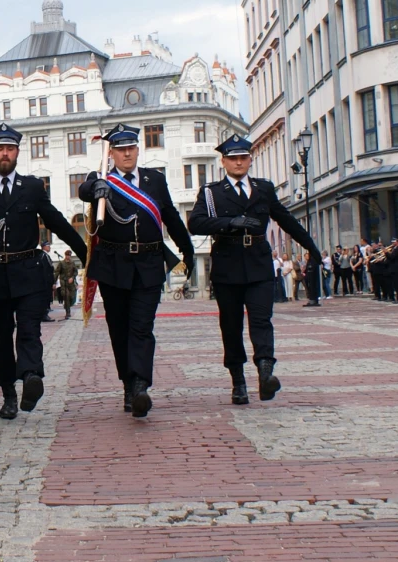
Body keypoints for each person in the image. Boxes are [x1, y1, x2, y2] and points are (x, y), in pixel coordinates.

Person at [0, 124, 89, 420]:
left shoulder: (31, 187)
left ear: (17, 152)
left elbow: (56, 221)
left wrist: (85, 253)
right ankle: (8, 395)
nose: (5, 154)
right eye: (0, 149)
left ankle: (31, 377)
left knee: (30, 330)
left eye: (10, 149)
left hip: (29, 273)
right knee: (1, 337)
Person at [186, 134, 320, 406]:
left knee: (262, 320)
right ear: (223, 161)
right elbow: (196, 223)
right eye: (233, 158)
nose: (238, 162)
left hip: (258, 262)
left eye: (243, 157)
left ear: (250, 159)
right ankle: (238, 381)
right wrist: (230, 222)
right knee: (231, 326)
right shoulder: (211, 192)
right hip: (227, 263)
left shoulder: (264, 188)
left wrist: (311, 247)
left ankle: (265, 371)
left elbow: (286, 220)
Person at [76, 124, 194, 417]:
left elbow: (170, 215)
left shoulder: (154, 179)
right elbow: (83, 190)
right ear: (112, 153)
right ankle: (128, 385)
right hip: (113, 266)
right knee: (120, 329)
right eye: (120, 149)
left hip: (148, 264)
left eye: (131, 148)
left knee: (142, 327)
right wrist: (96, 188)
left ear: (138, 150)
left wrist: (187, 249)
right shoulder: (102, 178)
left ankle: (141, 385)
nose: (127, 153)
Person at [54, 250, 80, 320]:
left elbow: (75, 272)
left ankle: (67, 306)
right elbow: (56, 273)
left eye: (69, 255)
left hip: (71, 283)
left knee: (72, 297)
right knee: (67, 297)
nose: (68, 257)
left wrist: (72, 277)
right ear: (65, 255)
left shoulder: (72, 263)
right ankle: (68, 313)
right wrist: (54, 282)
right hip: (64, 283)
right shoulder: (61, 263)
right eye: (67, 255)